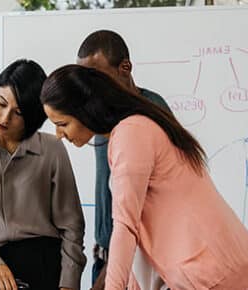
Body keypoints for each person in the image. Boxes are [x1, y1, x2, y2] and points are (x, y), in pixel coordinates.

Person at [41, 64, 248, 290]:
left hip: (216, 276)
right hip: (229, 267)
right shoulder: (135, 127)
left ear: (85, 110)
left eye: (62, 124)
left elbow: (126, 227)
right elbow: (140, 229)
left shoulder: (131, 133)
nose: (59, 135)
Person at [0, 59, 85, 290]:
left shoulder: (52, 148)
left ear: (32, 117)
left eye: (18, 112)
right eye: (1, 103)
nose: (4, 118)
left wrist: (69, 283)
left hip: (47, 268)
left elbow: (71, 224)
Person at [75, 30, 172, 290]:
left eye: (97, 78)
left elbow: (138, 215)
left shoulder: (150, 113)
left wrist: (105, 279)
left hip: (137, 264)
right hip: (105, 256)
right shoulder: (102, 111)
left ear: (125, 67)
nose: (91, 89)